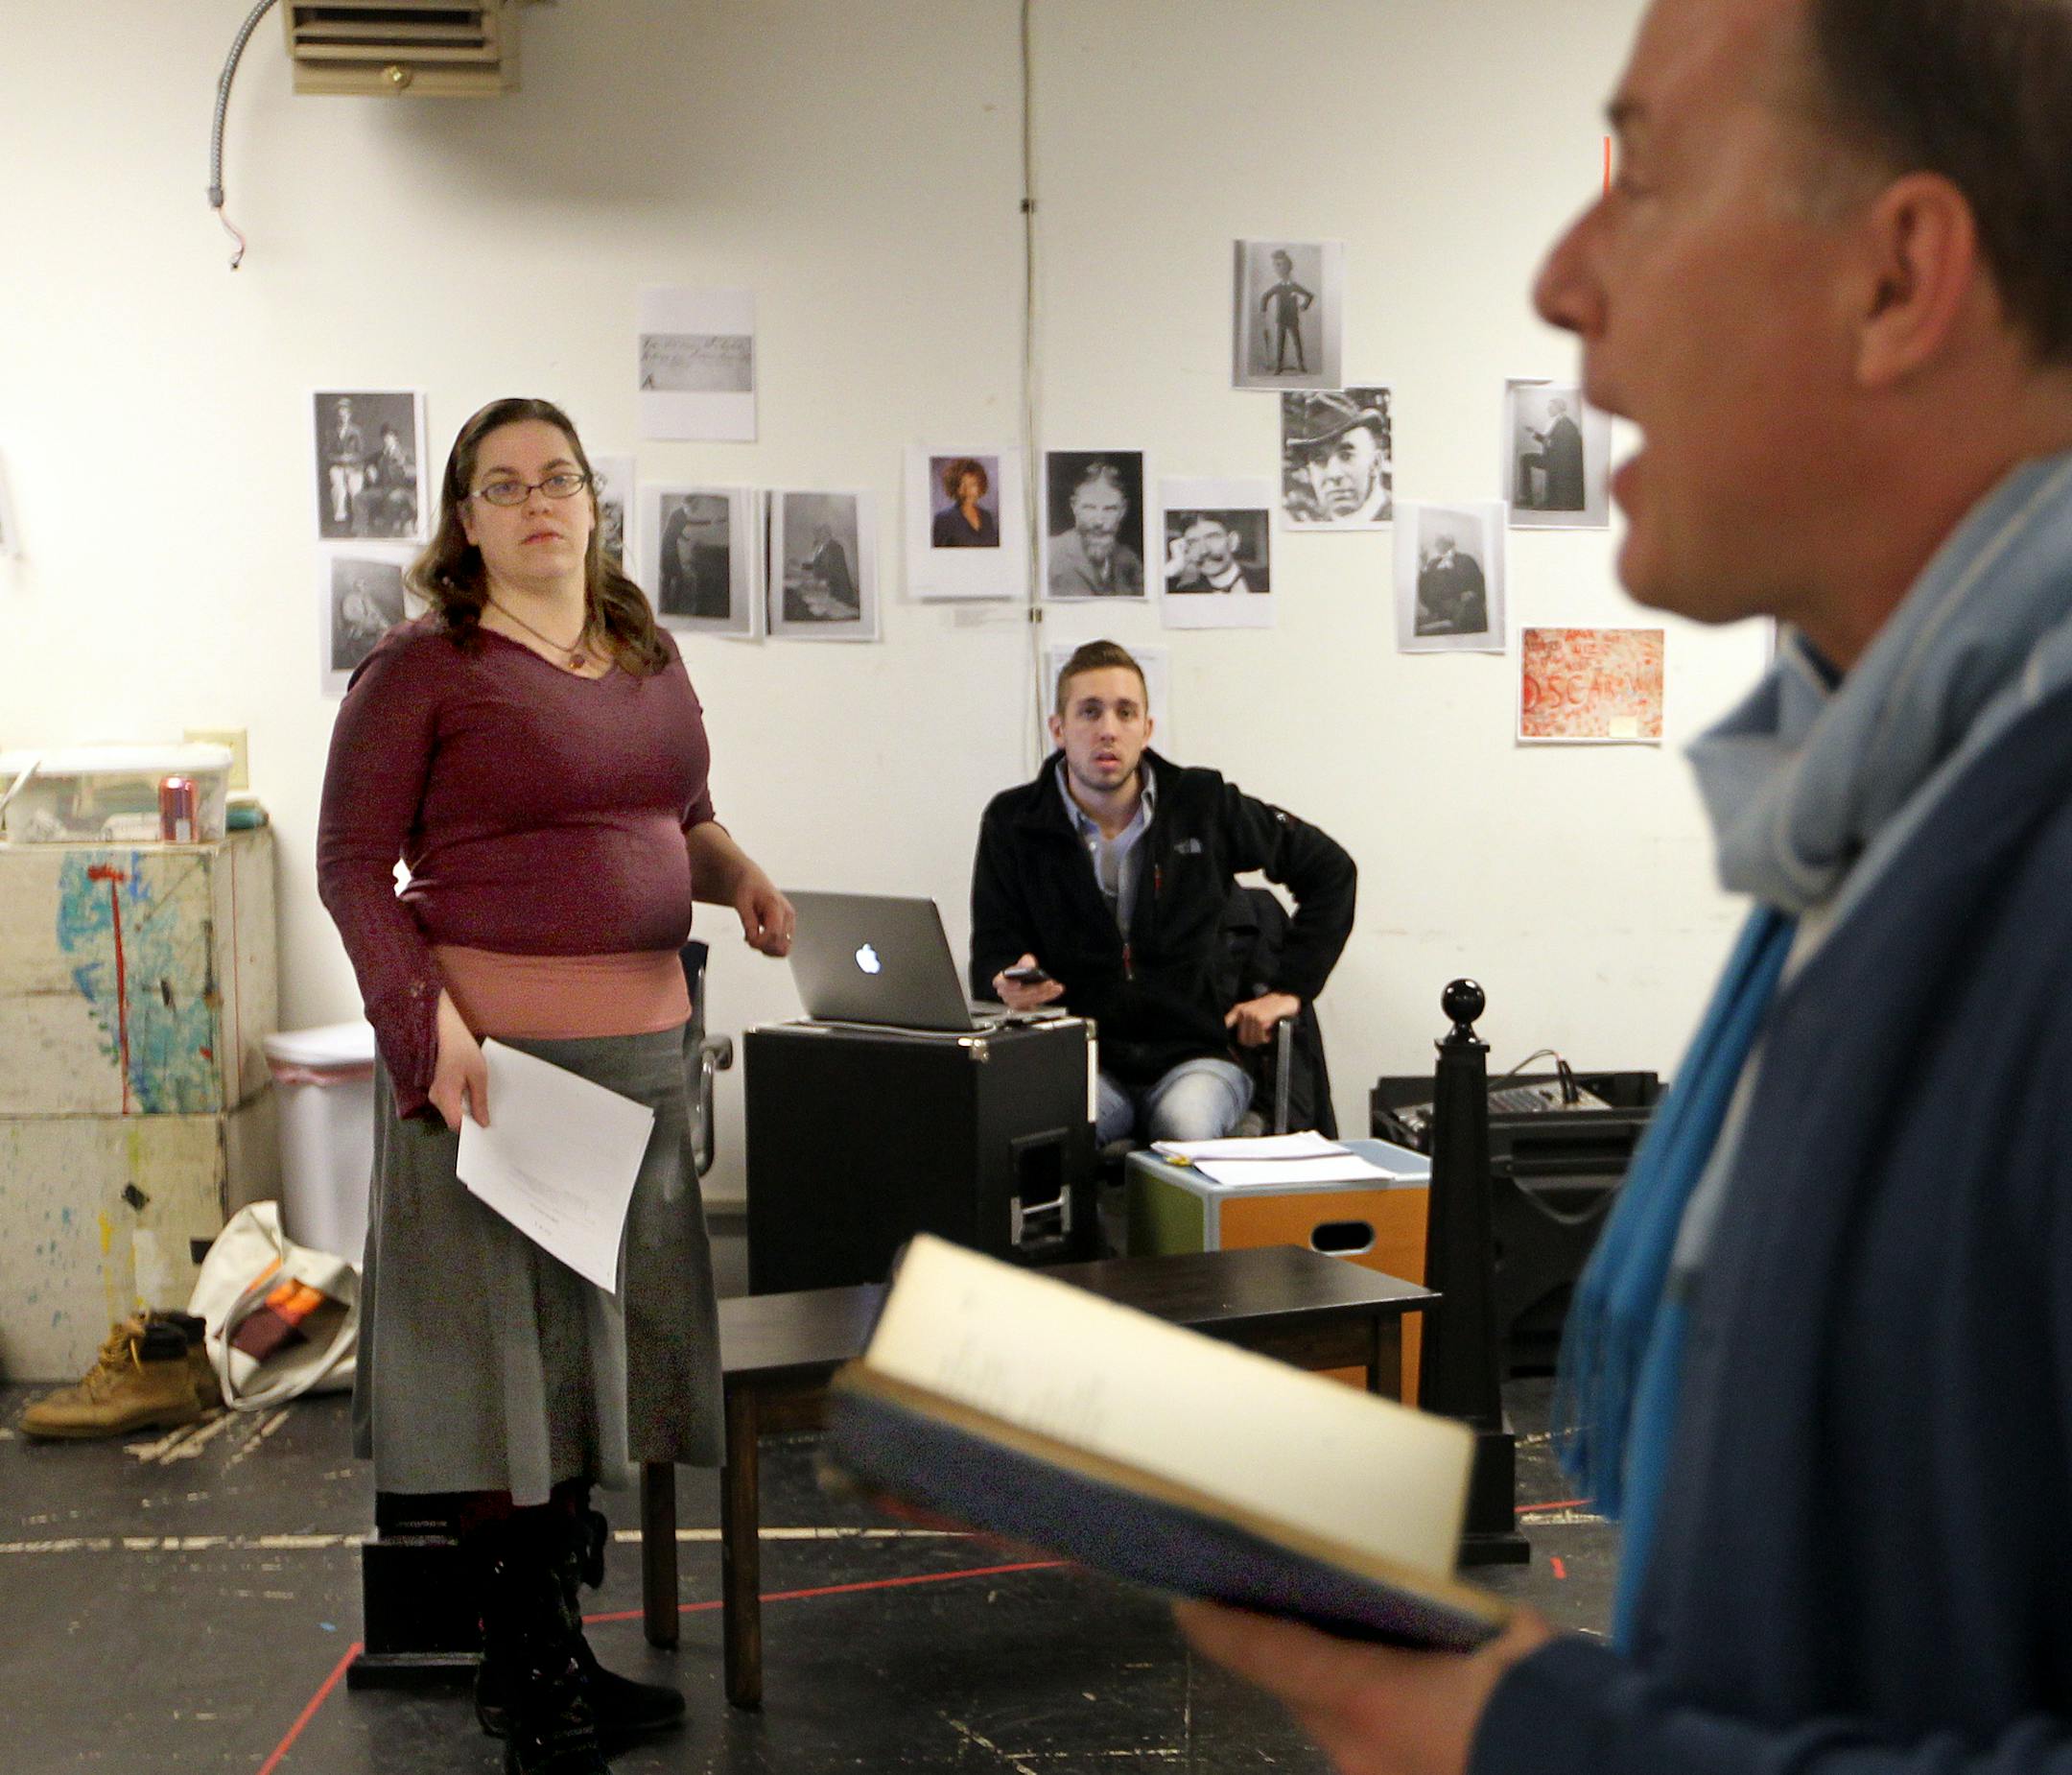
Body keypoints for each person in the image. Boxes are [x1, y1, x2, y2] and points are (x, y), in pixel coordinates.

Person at [1178, 5, 2072, 1775]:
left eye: (1641, 179)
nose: (1562, 279)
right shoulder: (1889, 812)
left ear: (1901, 277)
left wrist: (1522, 1739)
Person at [317, 396, 795, 1775]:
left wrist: (741, 871)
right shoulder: (423, 670)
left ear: (594, 501)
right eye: (504, 483)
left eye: (560, 478)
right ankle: (520, 1667)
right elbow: (353, 870)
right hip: (493, 1077)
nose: (538, 501)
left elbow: (678, 816)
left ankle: (562, 1644)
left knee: (592, 1372)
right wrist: (425, 1027)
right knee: (498, 1372)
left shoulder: (645, 655)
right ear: (465, 518)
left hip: (640, 1069)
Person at [971, 640, 1354, 1145]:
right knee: (1049, 1132)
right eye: (1090, 712)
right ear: (1059, 729)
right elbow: (989, 958)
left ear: (1147, 729)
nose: (1108, 729)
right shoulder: (1014, 822)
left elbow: (1330, 869)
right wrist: (1008, 982)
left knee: (1184, 1126)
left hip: (1197, 1057)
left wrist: (1290, 991)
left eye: (1125, 712)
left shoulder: (1202, 803)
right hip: (1086, 1059)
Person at [1285, 391, 1393, 524]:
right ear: (1309, 473)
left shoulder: (1401, 520)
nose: (1334, 474)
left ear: (1376, 463)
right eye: (1319, 460)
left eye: (1346, 456)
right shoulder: (1314, 528)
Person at [1047, 459, 1144, 597]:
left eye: (1110, 509)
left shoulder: (1130, 561)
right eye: (1090, 508)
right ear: (1074, 507)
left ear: (1122, 511)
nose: (1099, 521)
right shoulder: (1049, 553)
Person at [1166, 512, 1262, 593]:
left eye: (1212, 537)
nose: (1204, 551)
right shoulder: (1185, 593)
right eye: (1193, 542)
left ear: (1233, 541)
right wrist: (1172, 569)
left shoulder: (1268, 579)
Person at [1519, 396, 1588, 510]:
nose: (1548, 409)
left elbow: (1555, 444)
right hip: (1552, 458)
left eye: (1551, 407)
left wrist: (1538, 435)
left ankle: (1529, 498)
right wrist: (1535, 433)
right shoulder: (1557, 421)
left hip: (1560, 463)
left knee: (1526, 459)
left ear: (1559, 408)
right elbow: (1549, 442)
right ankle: (1527, 497)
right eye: (1548, 407)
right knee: (1525, 458)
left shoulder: (1565, 424)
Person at [1415, 532, 1488, 634]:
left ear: (1449, 543)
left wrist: (1473, 593)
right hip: (1441, 610)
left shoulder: (1466, 560)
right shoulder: (1432, 564)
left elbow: (1480, 585)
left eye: (1439, 541)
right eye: (1436, 542)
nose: (1436, 545)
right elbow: (1425, 594)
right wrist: (1423, 566)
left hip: (1465, 609)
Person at [1259, 248, 1315, 375]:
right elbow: (1265, 297)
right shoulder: (1278, 287)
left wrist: (1303, 306)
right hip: (1282, 320)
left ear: (1288, 269)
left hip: (1293, 319)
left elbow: (1310, 296)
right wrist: (1263, 311)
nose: (1280, 270)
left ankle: (1301, 365)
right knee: (1281, 344)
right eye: (1277, 266)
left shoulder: (1294, 286)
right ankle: (1279, 367)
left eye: (1282, 266)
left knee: (1297, 342)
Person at [932, 457, 1001, 548]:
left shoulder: (987, 517)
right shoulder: (943, 520)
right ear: (954, 487)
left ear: (980, 486)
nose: (967, 491)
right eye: (962, 485)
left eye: (972, 485)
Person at [322, 395, 365, 528]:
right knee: (339, 488)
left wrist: (351, 459)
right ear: (337, 416)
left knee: (355, 488)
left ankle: (357, 519)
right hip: (337, 467)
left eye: (345, 414)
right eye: (340, 415)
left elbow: (361, 453)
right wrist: (339, 459)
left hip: (354, 467)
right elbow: (326, 453)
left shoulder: (356, 431)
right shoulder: (330, 432)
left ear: (349, 414)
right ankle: (340, 518)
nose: (343, 417)